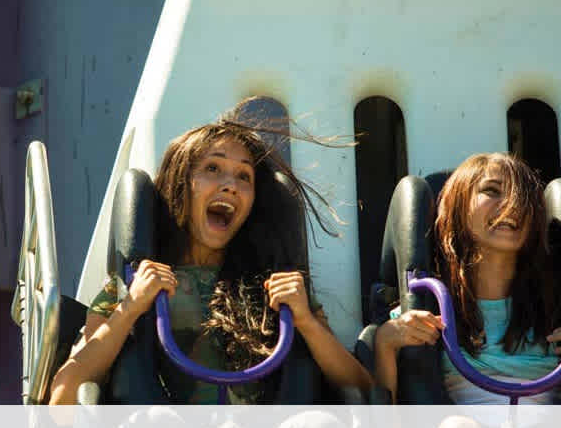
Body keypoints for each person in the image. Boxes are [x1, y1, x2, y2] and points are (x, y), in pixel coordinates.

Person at [48, 105, 374, 406]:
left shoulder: (274, 288)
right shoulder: (128, 289)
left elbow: (362, 391)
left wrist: (305, 320)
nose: (230, 185)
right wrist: (130, 309)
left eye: (244, 176)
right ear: (181, 183)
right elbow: (62, 400)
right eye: (213, 168)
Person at [372, 153, 561, 428]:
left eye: (520, 196)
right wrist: (384, 344)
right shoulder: (428, 305)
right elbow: (389, 425)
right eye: (492, 191)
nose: (511, 204)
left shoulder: (558, 304)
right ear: (456, 210)